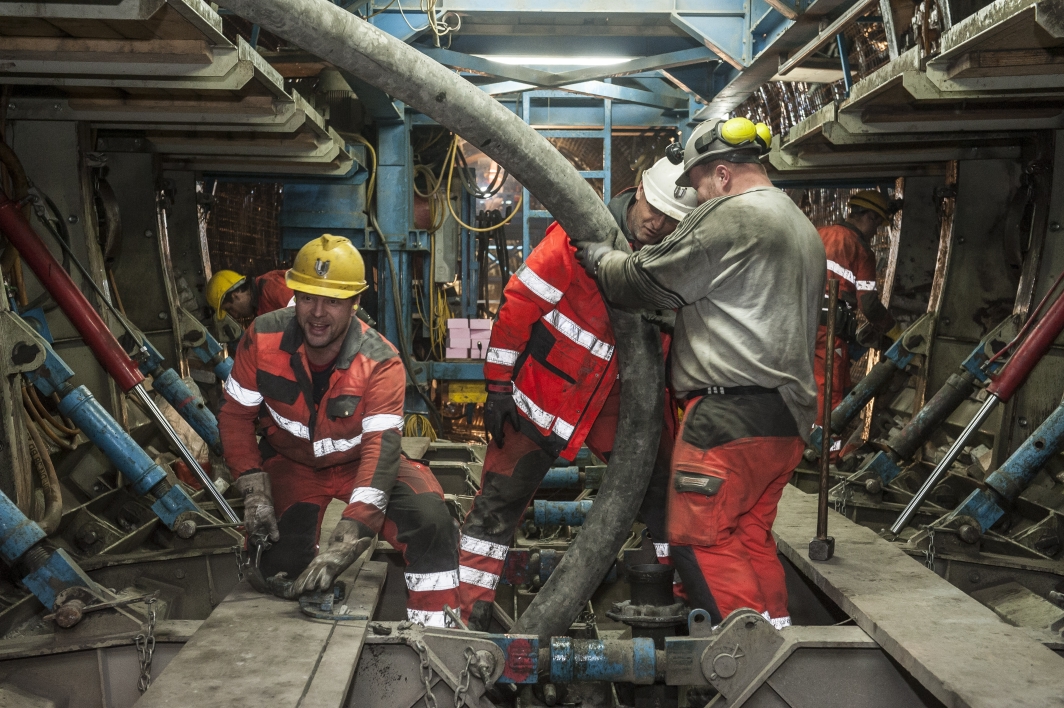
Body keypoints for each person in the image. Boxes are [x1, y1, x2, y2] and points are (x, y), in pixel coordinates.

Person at [575, 117, 825, 630]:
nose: (697, 200)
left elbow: (642, 281)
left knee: (699, 540)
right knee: (748, 538)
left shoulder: (733, 217)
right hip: (786, 419)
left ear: (724, 176)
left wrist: (602, 258)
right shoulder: (799, 225)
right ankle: (781, 651)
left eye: (700, 186)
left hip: (728, 419)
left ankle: (749, 667)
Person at [457, 157, 698, 630]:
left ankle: (670, 603)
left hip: (617, 407)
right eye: (655, 208)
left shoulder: (674, 262)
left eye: (672, 219)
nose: (658, 222)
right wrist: (497, 386)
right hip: (540, 401)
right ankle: (470, 615)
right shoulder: (575, 240)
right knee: (496, 509)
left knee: (664, 499)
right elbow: (517, 307)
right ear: (639, 190)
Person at [218, 234, 461, 627]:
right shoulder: (262, 338)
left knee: (431, 521)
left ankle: (434, 630)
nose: (317, 313)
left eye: (333, 300)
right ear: (294, 292)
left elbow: (380, 449)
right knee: (277, 570)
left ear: (355, 303)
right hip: (294, 464)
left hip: (362, 464)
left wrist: (353, 532)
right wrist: (253, 487)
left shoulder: (380, 362)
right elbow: (234, 416)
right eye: (309, 297)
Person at [815, 190, 901, 419]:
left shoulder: (817, 234)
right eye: (878, 224)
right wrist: (895, 331)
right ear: (870, 216)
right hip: (828, 331)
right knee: (829, 393)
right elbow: (869, 304)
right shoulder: (861, 250)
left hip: (798, 326)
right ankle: (826, 453)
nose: (876, 232)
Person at [206, 268, 294, 321]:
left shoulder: (270, 286)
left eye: (230, 309)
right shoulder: (260, 308)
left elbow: (305, 314)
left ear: (235, 295)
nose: (235, 315)